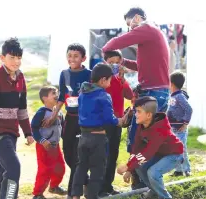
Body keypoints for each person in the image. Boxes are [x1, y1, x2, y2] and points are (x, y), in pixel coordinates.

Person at [102, 7, 170, 188]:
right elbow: (142, 66)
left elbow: (118, 42)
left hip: (152, 93)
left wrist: (106, 51)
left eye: (130, 24)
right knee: (148, 140)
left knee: (135, 140)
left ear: (138, 18)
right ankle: (147, 182)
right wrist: (123, 62)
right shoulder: (155, 34)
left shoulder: (146, 28)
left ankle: (142, 185)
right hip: (159, 92)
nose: (130, 29)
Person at [0, 37, 34, 199]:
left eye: (19, 58)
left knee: (4, 170)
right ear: (2, 58)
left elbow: (22, 109)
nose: (16, 62)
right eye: (12, 57)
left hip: (12, 132)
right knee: (14, 167)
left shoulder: (21, 78)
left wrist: (28, 132)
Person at [71, 63, 127, 199]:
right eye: (109, 80)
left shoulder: (83, 93)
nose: (110, 83)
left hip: (83, 136)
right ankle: (92, 196)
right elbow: (109, 119)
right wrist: (119, 120)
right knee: (97, 170)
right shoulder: (104, 95)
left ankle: (75, 196)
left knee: (81, 167)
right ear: (103, 80)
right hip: (98, 138)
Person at [43, 43, 91, 198]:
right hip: (69, 120)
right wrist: (53, 114)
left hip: (84, 121)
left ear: (83, 58)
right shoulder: (64, 74)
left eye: (76, 56)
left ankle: (73, 193)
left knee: (77, 159)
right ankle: (85, 179)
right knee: (68, 156)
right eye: (69, 55)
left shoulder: (89, 74)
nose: (72, 59)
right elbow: (62, 97)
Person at [117, 96, 184, 199]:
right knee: (138, 166)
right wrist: (130, 169)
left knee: (153, 172)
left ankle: (165, 197)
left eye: (138, 112)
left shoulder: (160, 129)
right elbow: (136, 149)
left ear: (148, 115)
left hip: (174, 154)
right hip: (159, 154)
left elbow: (147, 153)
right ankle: (154, 191)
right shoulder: (142, 125)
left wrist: (127, 166)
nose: (135, 115)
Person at [99, 50, 134, 196]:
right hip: (103, 122)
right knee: (103, 155)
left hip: (118, 122)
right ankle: (99, 187)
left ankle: (108, 186)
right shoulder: (101, 78)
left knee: (113, 154)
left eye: (117, 62)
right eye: (111, 62)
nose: (114, 65)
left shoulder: (120, 79)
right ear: (105, 62)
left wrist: (121, 78)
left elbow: (130, 95)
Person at [31, 86, 67, 199]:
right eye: (53, 93)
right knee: (44, 170)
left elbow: (63, 129)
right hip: (44, 146)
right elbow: (34, 128)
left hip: (55, 146)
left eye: (57, 92)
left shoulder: (59, 112)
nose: (57, 95)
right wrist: (42, 140)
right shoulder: (42, 112)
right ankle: (38, 194)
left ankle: (54, 186)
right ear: (45, 98)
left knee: (60, 167)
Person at [167, 72, 192, 177]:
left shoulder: (180, 96)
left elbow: (189, 109)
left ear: (172, 83)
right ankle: (178, 170)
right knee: (175, 149)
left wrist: (185, 123)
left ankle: (186, 169)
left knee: (182, 149)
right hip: (173, 128)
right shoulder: (173, 96)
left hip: (180, 128)